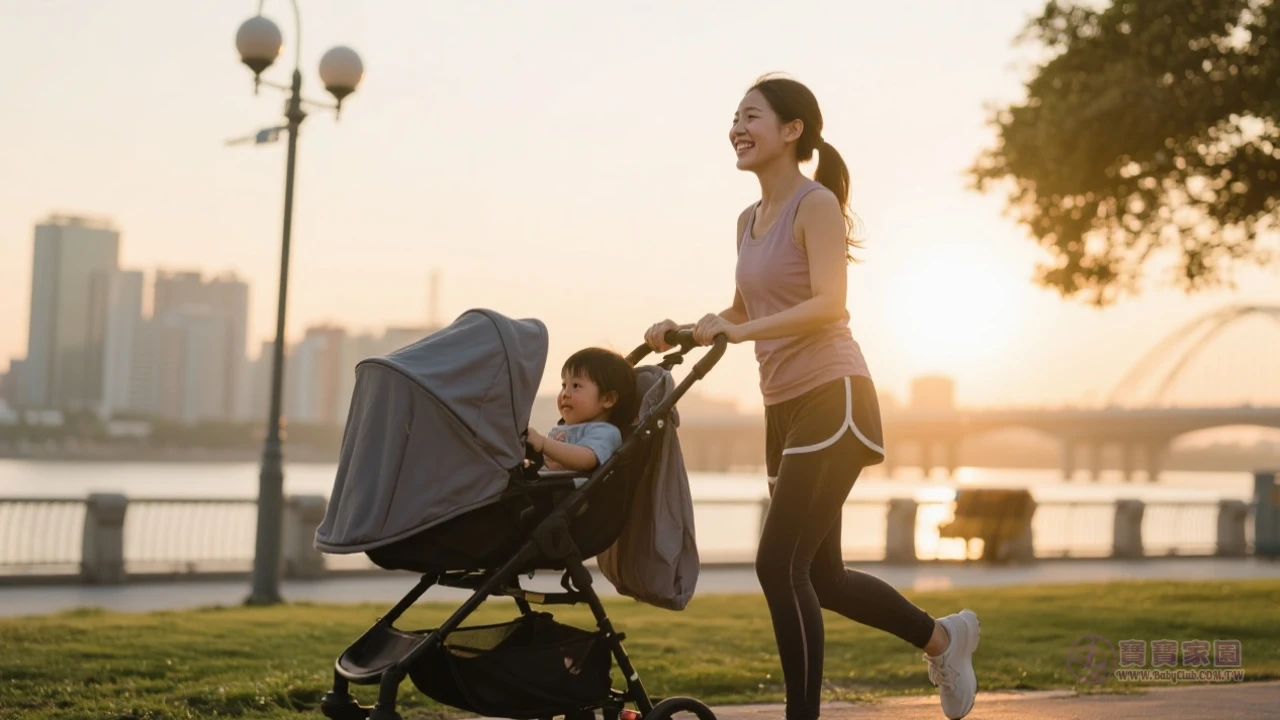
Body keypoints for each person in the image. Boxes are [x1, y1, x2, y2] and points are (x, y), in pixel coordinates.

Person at [644, 74, 980, 720]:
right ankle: (945, 638)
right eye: (735, 118)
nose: (738, 129)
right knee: (822, 577)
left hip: (834, 397)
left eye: (752, 116)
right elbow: (745, 308)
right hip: (783, 407)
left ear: (792, 130)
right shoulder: (747, 220)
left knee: (777, 564)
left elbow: (829, 304)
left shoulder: (815, 204)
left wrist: (738, 329)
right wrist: (686, 330)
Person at [526, 347, 638, 473]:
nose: (565, 394)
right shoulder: (563, 428)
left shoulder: (606, 432)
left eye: (576, 386)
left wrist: (543, 443)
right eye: (564, 385)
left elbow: (586, 458)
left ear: (607, 399)